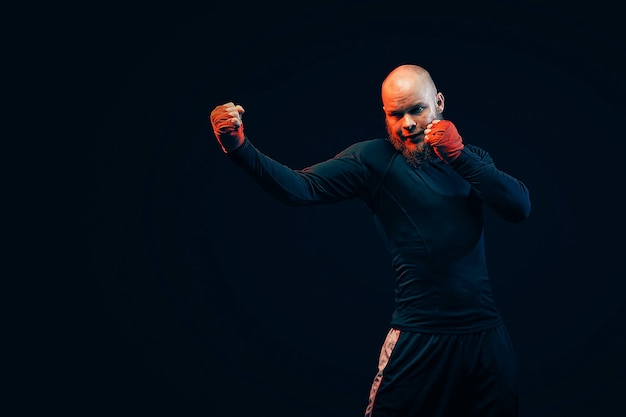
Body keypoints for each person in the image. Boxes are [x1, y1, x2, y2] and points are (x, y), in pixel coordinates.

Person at [209, 64, 531, 417]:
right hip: (420, 339)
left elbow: (518, 207)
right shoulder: (374, 160)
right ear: (386, 116)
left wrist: (459, 156)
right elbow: (301, 188)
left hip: (486, 340)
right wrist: (239, 148)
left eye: (417, 109)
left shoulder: (472, 160)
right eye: (396, 114)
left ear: (438, 102)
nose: (407, 123)